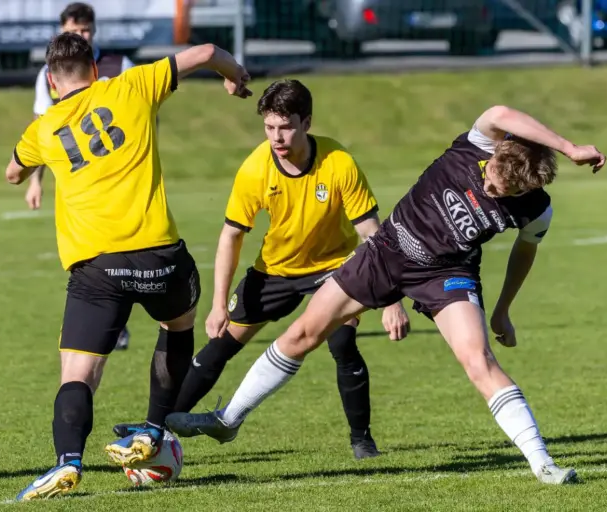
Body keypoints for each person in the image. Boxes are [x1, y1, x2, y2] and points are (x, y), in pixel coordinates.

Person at [164, 105, 607, 485]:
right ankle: (229, 420)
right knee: (303, 334)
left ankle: (543, 463)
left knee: (479, 360)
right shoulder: (478, 143)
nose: (492, 192)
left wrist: (504, 310)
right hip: (387, 252)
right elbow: (501, 113)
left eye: (502, 193)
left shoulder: (535, 207)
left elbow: (523, 254)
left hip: (446, 274)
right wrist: (571, 148)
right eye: (491, 181)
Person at [6, 33, 251, 501]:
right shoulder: (132, 86)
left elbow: (13, 172)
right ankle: (153, 429)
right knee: (178, 329)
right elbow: (203, 53)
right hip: (162, 256)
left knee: (77, 374)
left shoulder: (45, 127)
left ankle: (68, 462)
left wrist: (33, 160)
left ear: (53, 83)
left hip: (98, 267)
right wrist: (234, 75)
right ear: (95, 70)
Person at [111, 79, 410, 460]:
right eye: (269, 127)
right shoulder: (255, 168)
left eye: (285, 126)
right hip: (275, 271)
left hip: (335, 269)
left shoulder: (339, 163)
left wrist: (391, 300)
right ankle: (157, 427)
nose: (277, 137)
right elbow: (230, 236)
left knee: (342, 343)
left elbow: (373, 233)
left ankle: (362, 441)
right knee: (219, 346)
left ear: (307, 122)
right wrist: (219, 303)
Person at [27, 2, 136, 350]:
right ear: (62, 30)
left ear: (94, 31)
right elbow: (42, 129)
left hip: (121, 177)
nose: (81, 35)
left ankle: (119, 323)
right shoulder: (52, 72)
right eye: (74, 30)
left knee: (128, 248)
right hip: (79, 181)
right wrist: (36, 180)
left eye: (86, 30)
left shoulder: (118, 67)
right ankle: (106, 326)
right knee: (90, 250)